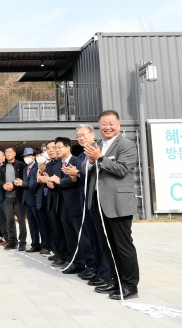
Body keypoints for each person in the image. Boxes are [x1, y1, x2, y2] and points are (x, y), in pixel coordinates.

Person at [82, 110, 140, 300]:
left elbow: (123, 169)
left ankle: (130, 286)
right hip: (97, 204)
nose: (107, 127)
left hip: (118, 203)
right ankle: (116, 282)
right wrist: (91, 162)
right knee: (107, 245)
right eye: (103, 123)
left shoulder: (126, 145)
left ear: (118, 125)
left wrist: (100, 158)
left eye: (111, 123)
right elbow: (85, 168)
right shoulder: (96, 144)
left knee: (123, 246)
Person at [65, 124, 111, 287]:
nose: (81, 138)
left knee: (100, 239)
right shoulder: (81, 155)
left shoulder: (97, 149)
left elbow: (98, 172)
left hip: (98, 200)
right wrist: (74, 175)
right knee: (91, 239)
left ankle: (106, 273)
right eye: (78, 136)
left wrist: (77, 173)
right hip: (86, 201)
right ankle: (97, 270)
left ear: (92, 134)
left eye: (83, 135)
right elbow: (81, 176)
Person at [48, 137, 94, 275]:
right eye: (55, 147)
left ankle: (91, 265)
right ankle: (76, 262)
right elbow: (58, 183)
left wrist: (60, 181)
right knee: (70, 236)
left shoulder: (77, 161)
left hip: (76, 203)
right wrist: (52, 184)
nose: (56, 150)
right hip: (61, 204)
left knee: (82, 236)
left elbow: (78, 180)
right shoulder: (58, 165)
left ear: (68, 148)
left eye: (59, 147)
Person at [0, 146, 25, 250]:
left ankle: (22, 243)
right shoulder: (3, 166)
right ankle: (12, 242)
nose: (7, 154)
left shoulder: (20, 165)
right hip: (7, 197)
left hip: (18, 197)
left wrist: (13, 184)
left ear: (14, 153)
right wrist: (3, 185)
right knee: (9, 221)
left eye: (9, 152)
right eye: (6, 152)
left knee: (21, 221)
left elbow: (24, 178)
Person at [19, 147, 43, 253]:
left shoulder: (37, 167)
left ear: (33, 156)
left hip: (35, 198)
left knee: (40, 223)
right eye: (25, 156)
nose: (26, 158)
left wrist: (22, 184)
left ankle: (44, 244)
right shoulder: (25, 169)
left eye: (28, 156)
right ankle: (35, 244)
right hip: (27, 200)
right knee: (32, 224)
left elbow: (34, 184)